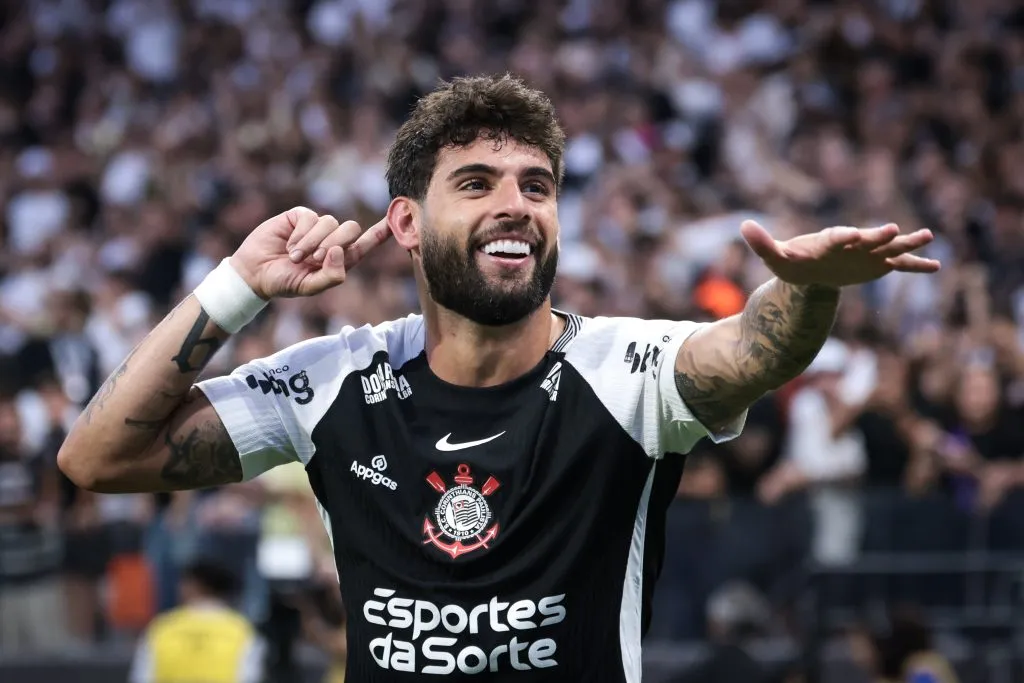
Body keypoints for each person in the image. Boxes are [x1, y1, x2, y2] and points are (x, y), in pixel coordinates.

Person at [58, 74, 939, 681]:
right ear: (406, 221)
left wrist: (808, 290)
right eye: (475, 183)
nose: (514, 203)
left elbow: (750, 349)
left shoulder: (624, 372)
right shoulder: (334, 380)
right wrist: (239, 285)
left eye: (537, 185)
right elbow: (98, 456)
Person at [128, 559, 265, 683]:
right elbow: (249, 676)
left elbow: (142, 676)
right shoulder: (241, 630)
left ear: (193, 585)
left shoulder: (162, 628)